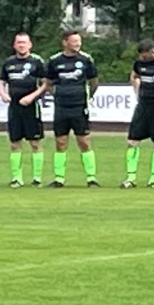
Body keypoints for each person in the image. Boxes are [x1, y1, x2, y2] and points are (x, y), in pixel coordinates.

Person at [45, 30, 100, 188]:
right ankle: (59, 179)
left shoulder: (86, 59)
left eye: (79, 41)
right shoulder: (55, 61)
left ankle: (91, 178)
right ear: (65, 42)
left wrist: (86, 96)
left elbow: (94, 81)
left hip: (79, 106)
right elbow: (48, 83)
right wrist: (57, 94)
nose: (78, 44)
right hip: (61, 107)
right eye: (74, 41)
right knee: (60, 142)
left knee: (84, 141)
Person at [0, 32, 48, 188]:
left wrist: (32, 97)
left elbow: (46, 84)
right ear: (14, 45)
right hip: (14, 107)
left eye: (24, 42)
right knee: (14, 144)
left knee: (35, 143)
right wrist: (3, 94)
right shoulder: (9, 63)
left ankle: (37, 178)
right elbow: (1, 82)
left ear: (30, 45)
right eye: (18, 42)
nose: (21, 45)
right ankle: (16, 178)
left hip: (31, 107)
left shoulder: (37, 62)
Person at [123, 40, 154, 188]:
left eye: (145, 56)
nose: (142, 58)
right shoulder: (139, 63)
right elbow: (134, 76)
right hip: (143, 106)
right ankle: (131, 178)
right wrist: (137, 91)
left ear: (152, 51)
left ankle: (153, 179)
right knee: (132, 141)